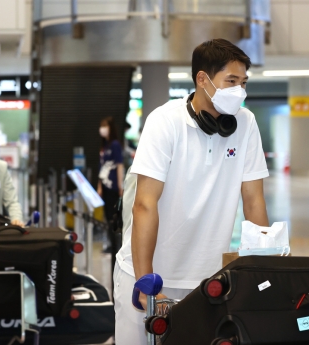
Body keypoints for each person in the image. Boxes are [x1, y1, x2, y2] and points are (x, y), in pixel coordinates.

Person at [113, 39, 269, 344]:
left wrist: (264, 270)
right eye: (232, 81)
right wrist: (147, 282)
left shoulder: (246, 123)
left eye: (243, 82)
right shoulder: (165, 122)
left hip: (207, 281)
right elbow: (144, 204)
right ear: (202, 79)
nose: (240, 91)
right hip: (146, 276)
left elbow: (254, 201)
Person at [97, 116, 124, 253]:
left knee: (113, 217)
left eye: (105, 126)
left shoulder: (115, 145)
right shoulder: (105, 146)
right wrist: (99, 187)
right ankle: (110, 244)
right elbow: (101, 168)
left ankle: (116, 245)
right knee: (107, 217)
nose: (102, 129)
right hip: (105, 186)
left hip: (113, 186)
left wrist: (120, 186)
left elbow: (119, 166)